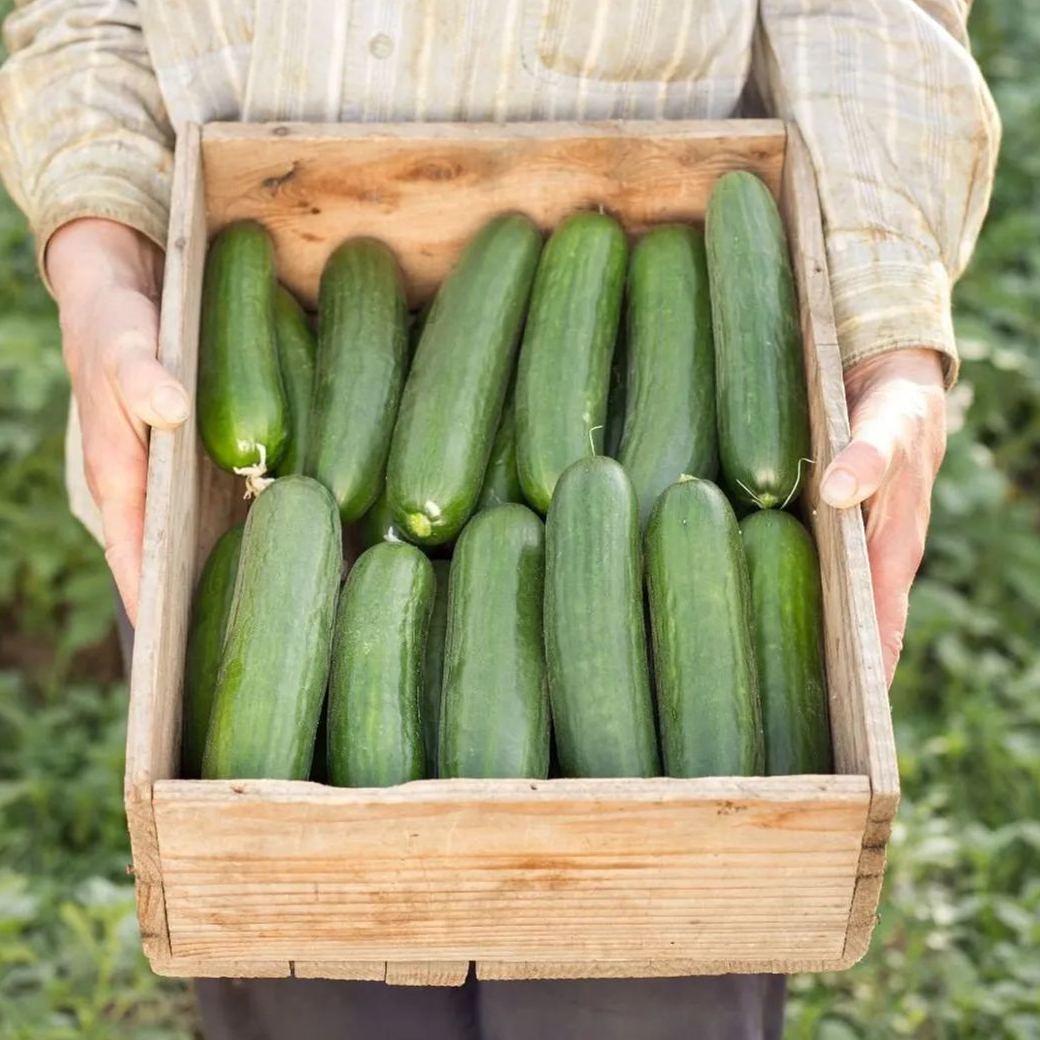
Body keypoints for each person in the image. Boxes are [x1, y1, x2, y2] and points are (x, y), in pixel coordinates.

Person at [0, 2, 998, 1038]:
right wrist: (99, 269)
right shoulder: (300, 496)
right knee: (313, 984)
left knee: (638, 995)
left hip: (655, 280)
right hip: (190, 393)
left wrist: (891, 335)